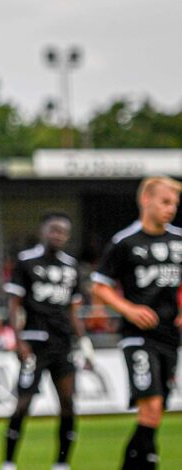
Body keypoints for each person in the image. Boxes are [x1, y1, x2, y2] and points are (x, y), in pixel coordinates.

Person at [91, 176, 182, 470]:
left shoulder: (179, 240)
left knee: (155, 412)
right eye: (165, 202)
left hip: (170, 336)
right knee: (151, 406)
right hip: (138, 336)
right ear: (146, 200)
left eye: (175, 204)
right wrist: (128, 309)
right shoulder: (125, 242)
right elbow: (99, 286)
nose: (171, 209)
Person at [1, 212, 95, 470]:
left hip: (62, 343)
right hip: (34, 342)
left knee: (68, 403)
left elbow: (74, 311)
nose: (57, 235)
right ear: (43, 231)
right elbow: (14, 304)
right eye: (53, 229)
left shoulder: (71, 266)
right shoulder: (26, 262)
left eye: (62, 231)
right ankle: (9, 462)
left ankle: (62, 463)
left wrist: (84, 342)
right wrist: (17, 340)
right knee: (23, 403)